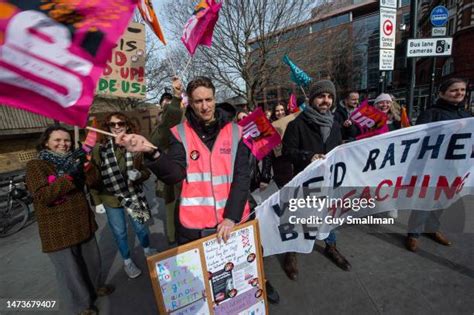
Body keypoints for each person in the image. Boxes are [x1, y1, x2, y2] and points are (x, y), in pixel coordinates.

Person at [116, 76, 280, 304]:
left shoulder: (236, 132)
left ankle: (262, 282)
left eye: (208, 99)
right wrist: (151, 151)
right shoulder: (179, 133)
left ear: (215, 99)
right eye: (198, 101)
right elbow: (174, 174)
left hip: (234, 220)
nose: (205, 106)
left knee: (246, 266)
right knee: (207, 283)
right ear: (190, 103)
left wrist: (231, 217)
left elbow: (242, 177)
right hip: (194, 226)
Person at [25, 126, 113, 315]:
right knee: (71, 273)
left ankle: (95, 287)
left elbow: (95, 182)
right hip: (57, 230)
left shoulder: (76, 158)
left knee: (92, 262)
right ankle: (82, 306)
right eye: (57, 140)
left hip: (82, 222)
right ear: (46, 142)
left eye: (66, 140)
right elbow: (43, 196)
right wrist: (70, 177)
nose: (63, 144)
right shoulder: (36, 166)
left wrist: (87, 167)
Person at [282, 79, 351, 280]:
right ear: (312, 99)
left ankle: (331, 247)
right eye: (321, 96)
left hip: (329, 182)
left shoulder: (335, 124)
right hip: (305, 183)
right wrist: (309, 156)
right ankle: (291, 253)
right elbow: (287, 152)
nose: (326, 100)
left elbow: (337, 150)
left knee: (330, 216)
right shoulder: (297, 124)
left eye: (329, 97)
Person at [406, 78, 472, 252]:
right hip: (433, 166)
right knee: (426, 199)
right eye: (454, 90)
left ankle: (431, 229)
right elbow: (419, 139)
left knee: (444, 199)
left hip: (457, 166)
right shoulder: (432, 113)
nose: (459, 93)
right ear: (442, 93)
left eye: (462, 90)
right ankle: (414, 233)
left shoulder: (467, 116)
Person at [90, 112, 157, 279]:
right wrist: (96, 200)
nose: (117, 126)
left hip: (133, 195)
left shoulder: (135, 145)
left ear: (127, 125)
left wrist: (139, 175)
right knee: (120, 232)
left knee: (140, 227)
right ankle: (127, 261)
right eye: (113, 124)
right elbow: (92, 175)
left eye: (120, 123)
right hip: (111, 197)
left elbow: (146, 171)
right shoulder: (100, 148)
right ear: (108, 128)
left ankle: (147, 249)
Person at [150, 78, 186, 244]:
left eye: (170, 104)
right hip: (170, 177)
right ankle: (173, 238)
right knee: (171, 207)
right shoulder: (159, 131)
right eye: (165, 106)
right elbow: (165, 129)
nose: (168, 109)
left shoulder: (183, 122)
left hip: (186, 173)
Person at [261, 102, 293, 189]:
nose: (280, 112)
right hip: (280, 168)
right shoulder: (270, 129)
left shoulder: (293, 123)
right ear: (274, 113)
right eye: (277, 111)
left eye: (282, 110)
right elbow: (267, 155)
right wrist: (265, 177)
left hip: (293, 165)